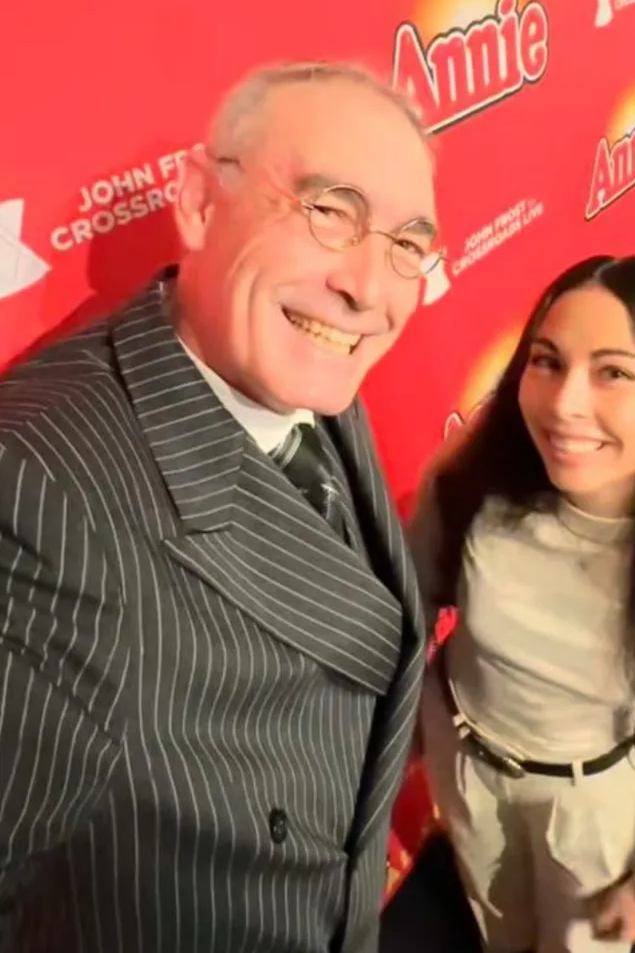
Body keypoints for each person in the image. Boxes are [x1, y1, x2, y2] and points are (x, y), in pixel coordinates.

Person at [0, 61, 441, 953]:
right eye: (329, 212)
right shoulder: (35, 501)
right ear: (200, 202)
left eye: (406, 244)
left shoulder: (304, 359)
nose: (369, 286)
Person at [408, 255, 635, 953]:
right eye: (546, 362)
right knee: (497, 928)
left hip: (588, 810)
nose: (563, 404)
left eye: (612, 372)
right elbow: (412, 617)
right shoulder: (470, 484)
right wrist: (412, 739)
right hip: (465, 772)